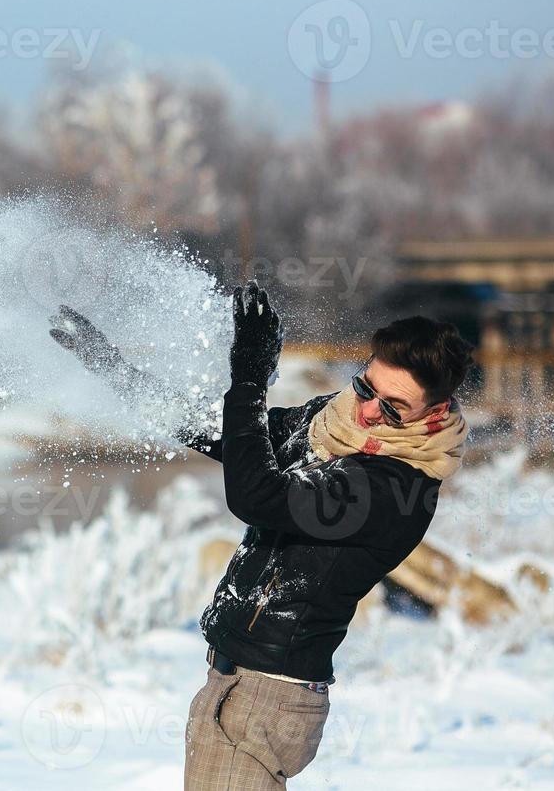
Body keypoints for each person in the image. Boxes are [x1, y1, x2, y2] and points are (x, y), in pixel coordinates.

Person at [50, 282, 474, 789]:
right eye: (366, 388)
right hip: (234, 685)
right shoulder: (331, 424)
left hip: (267, 701)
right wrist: (112, 367)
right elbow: (228, 434)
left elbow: (258, 496)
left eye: (392, 408)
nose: (367, 410)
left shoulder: (394, 485)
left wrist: (250, 376)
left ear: (433, 412)